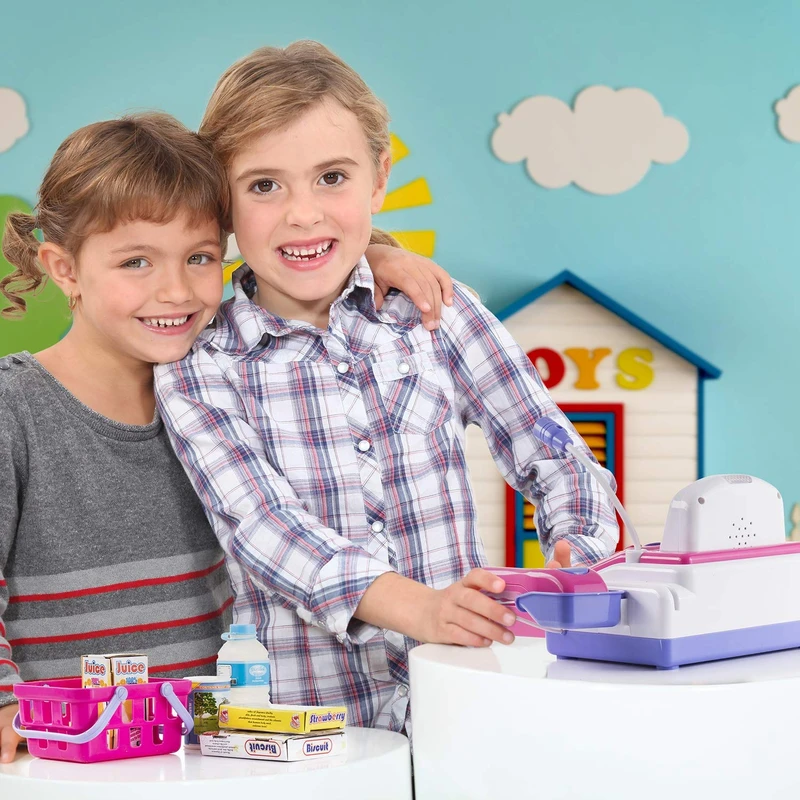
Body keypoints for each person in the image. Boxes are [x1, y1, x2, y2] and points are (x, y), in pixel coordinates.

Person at [155, 41, 620, 735]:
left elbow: (552, 449)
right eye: (264, 186)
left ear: (379, 179)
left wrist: (577, 553)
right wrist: (420, 608)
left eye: (331, 178)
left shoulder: (436, 313)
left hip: (463, 706)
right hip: (302, 729)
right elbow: (265, 528)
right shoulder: (198, 365)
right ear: (221, 203)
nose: (303, 214)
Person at [0, 112, 454, 762]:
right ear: (63, 268)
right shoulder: (14, 409)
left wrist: (375, 255)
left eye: (200, 257)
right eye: (135, 262)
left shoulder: (235, 389)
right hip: (70, 762)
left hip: (216, 755)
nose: (175, 290)